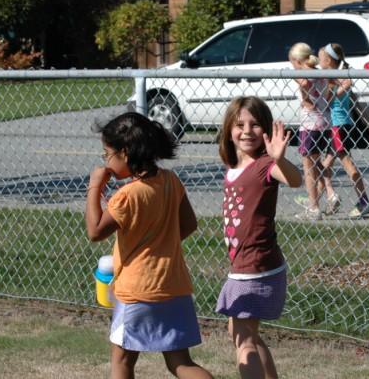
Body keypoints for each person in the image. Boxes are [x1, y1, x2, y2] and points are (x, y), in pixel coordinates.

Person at [85, 112, 213, 379]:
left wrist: (94, 187)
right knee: (180, 363)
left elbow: (95, 232)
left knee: (121, 362)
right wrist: (161, 244)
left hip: (138, 291)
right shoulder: (170, 181)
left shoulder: (127, 196)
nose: (105, 161)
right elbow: (189, 225)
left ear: (125, 153)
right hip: (174, 286)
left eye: (106, 154)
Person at [216, 96, 302, 379]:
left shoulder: (265, 165)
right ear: (229, 130)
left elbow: (295, 180)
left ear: (265, 130)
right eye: (240, 124)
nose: (247, 131)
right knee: (241, 332)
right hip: (248, 265)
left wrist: (280, 159)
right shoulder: (233, 168)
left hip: (255, 266)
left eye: (254, 124)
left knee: (244, 340)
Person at [318, 43, 369, 218]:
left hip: (337, 126)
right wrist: (368, 122)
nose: (319, 64)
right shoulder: (334, 78)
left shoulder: (336, 78)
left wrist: (332, 92)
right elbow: (355, 102)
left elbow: (346, 85)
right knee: (325, 166)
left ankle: (363, 200)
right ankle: (320, 200)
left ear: (328, 61)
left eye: (320, 60)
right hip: (340, 125)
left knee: (346, 163)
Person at [288, 42, 338, 220]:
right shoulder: (321, 73)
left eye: (292, 63)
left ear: (298, 61)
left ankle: (314, 209)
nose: (291, 67)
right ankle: (330, 194)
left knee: (308, 167)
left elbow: (308, 97)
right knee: (317, 165)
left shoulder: (305, 76)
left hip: (310, 124)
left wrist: (302, 90)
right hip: (325, 122)